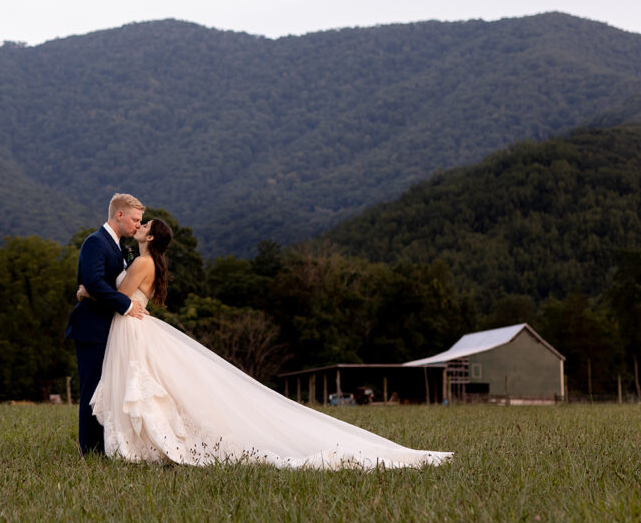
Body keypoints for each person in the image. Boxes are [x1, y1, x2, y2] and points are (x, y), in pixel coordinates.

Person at [79, 217, 453, 470]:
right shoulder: (147, 262)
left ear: (149, 237)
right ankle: (138, 444)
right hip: (133, 328)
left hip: (132, 327)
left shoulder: (143, 264)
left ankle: (146, 445)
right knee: (145, 387)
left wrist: (88, 290)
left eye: (144, 225)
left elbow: (122, 295)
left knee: (144, 385)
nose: (139, 226)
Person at [65, 193, 148, 456]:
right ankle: (89, 450)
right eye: (135, 219)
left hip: (109, 328)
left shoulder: (117, 245)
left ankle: (106, 444)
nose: (137, 225)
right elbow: (94, 281)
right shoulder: (95, 242)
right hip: (92, 328)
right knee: (92, 388)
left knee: (107, 388)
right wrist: (125, 305)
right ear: (119, 215)